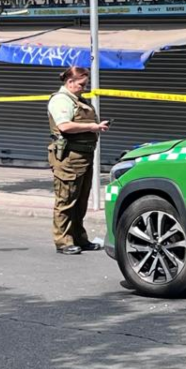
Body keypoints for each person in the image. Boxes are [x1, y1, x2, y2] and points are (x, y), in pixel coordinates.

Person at [48, 66, 110, 254]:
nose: (84, 87)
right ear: (70, 82)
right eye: (82, 84)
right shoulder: (61, 101)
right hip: (69, 158)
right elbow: (64, 126)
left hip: (82, 157)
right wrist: (92, 126)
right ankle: (63, 241)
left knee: (80, 201)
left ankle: (79, 238)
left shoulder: (76, 100)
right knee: (66, 201)